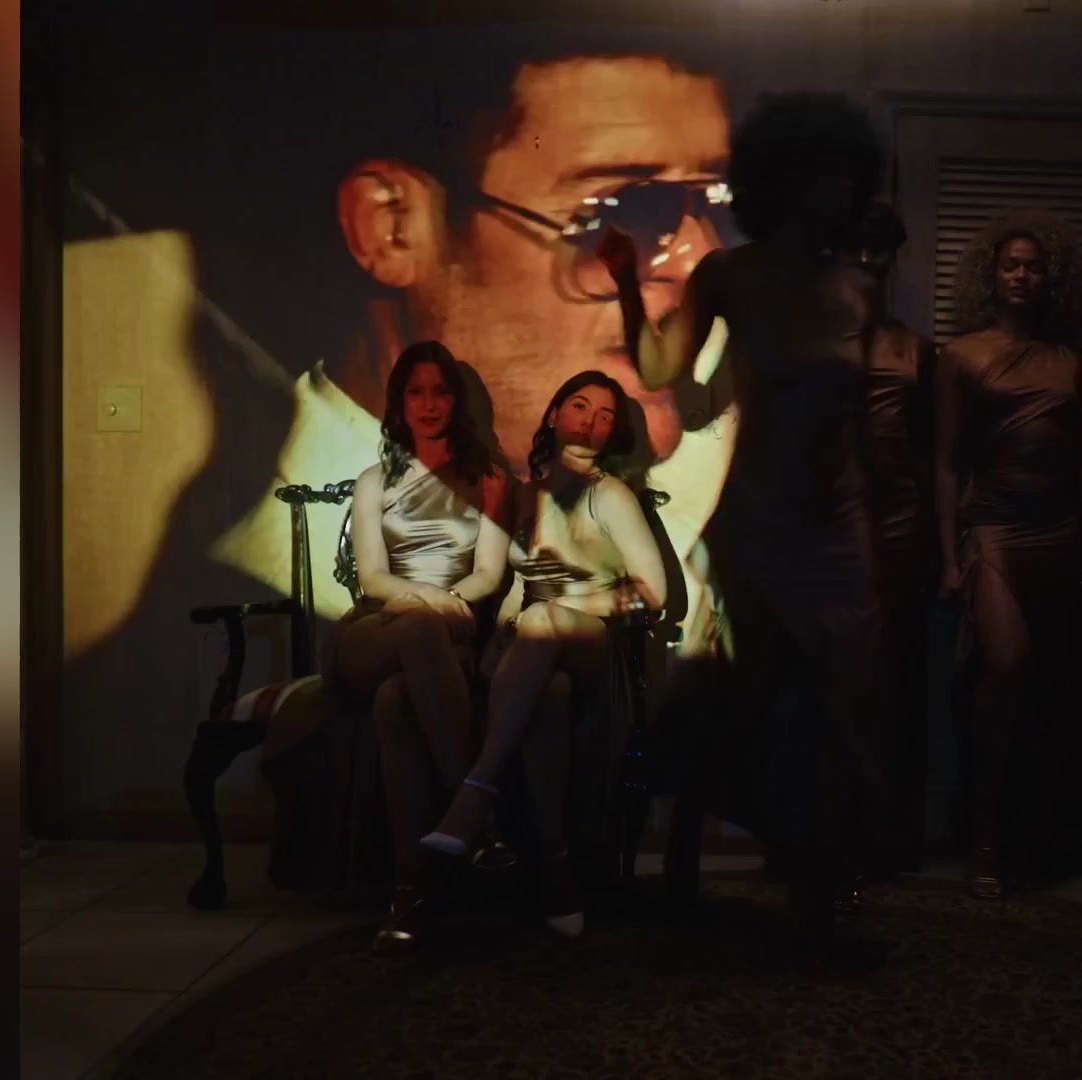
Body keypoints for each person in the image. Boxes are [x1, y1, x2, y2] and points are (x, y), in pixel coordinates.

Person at [204, 52, 737, 653]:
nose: (699, 260)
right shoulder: (285, 609)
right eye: (629, 211)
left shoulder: (637, 501)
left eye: (719, 204)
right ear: (394, 228)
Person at [598, 91, 896, 942]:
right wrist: (627, 286)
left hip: (836, 524)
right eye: (821, 174)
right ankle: (689, 840)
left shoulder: (859, 287)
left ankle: (817, 890)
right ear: (782, 179)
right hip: (759, 522)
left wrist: (872, 532)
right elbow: (661, 368)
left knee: (843, 705)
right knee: (753, 698)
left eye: (847, 176)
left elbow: (857, 427)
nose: (838, 190)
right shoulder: (731, 276)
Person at [421, 371, 670, 940]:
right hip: (540, 652)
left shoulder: (610, 495)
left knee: (543, 621)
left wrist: (568, 605)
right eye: (579, 407)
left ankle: (475, 796)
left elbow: (652, 593)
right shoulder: (527, 494)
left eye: (604, 416)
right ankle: (556, 869)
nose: (589, 421)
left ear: (612, 433)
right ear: (554, 415)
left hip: (595, 646)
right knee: (548, 690)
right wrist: (500, 636)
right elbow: (520, 584)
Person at [331, 341, 509, 953]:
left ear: (455, 402)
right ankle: (476, 817)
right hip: (377, 629)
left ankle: (409, 892)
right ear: (399, 403)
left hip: (449, 631)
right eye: (416, 392)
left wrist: (450, 603)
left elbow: (489, 573)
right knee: (413, 630)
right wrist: (432, 600)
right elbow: (373, 580)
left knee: (396, 702)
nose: (429, 404)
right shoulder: (374, 481)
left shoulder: (488, 478)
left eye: (440, 392)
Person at [936, 209, 1082, 900]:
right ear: (992, 276)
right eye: (1011, 265)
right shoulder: (961, 355)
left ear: (1048, 278)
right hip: (992, 529)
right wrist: (949, 554)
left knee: (1047, 691)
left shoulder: (1071, 360)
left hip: (1058, 533)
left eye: (1033, 266)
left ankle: (1030, 836)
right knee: (1005, 665)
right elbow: (945, 462)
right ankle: (983, 836)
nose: (1023, 275)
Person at [837, 201, 937, 868]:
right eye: (858, 248)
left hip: (900, 522)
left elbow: (930, 450)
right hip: (830, 526)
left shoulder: (914, 349)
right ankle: (821, 832)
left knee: (895, 676)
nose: (870, 260)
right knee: (829, 678)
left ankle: (888, 836)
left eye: (881, 250)